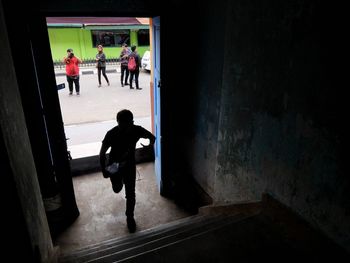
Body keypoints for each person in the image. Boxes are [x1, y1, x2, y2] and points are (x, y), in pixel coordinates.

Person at [99, 109, 155, 233]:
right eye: (121, 125)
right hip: (114, 165)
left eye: (127, 125)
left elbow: (152, 137)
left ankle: (130, 217)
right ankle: (120, 182)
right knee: (117, 189)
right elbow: (102, 153)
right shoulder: (111, 133)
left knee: (130, 193)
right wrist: (104, 170)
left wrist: (150, 147)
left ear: (132, 122)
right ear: (117, 122)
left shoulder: (136, 129)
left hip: (129, 165)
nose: (124, 128)